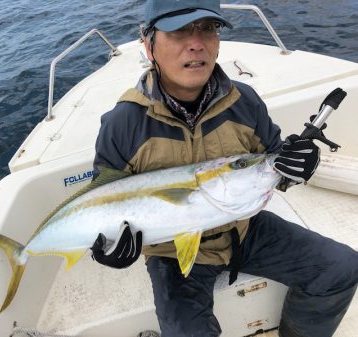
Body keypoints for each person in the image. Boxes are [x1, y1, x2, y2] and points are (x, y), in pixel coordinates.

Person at [90, 1, 358, 336]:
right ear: (149, 45)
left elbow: (273, 158)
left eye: (207, 28)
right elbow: (102, 199)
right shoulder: (122, 125)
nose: (197, 43)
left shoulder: (244, 101)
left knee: (341, 268)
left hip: (244, 229)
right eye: (178, 31)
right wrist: (109, 249)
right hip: (171, 250)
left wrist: (300, 162)